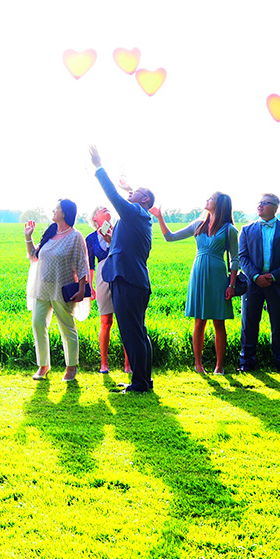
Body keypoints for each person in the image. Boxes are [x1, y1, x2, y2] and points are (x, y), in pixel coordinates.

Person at [151, 192, 239, 375]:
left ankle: (219, 366)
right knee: (199, 320)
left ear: (220, 205)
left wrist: (231, 285)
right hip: (198, 274)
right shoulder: (198, 224)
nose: (207, 200)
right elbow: (170, 237)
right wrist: (159, 217)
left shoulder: (230, 229)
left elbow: (235, 260)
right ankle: (198, 364)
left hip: (218, 276)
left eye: (212, 198)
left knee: (219, 321)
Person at [89, 146, 154, 393]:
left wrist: (99, 167)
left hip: (127, 279)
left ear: (144, 200)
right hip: (133, 279)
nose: (130, 194)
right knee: (138, 332)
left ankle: (139, 383)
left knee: (131, 333)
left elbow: (114, 198)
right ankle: (143, 380)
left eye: (135, 193)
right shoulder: (139, 216)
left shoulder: (135, 212)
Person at [237, 193, 280, 373]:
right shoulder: (246, 229)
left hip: (278, 284)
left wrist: (273, 276)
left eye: (265, 204)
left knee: (279, 325)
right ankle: (246, 363)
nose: (260, 206)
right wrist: (256, 276)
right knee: (249, 324)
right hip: (252, 285)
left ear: (275, 208)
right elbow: (242, 257)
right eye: (259, 203)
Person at [25, 200, 88, 381]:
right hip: (42, 288)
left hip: (62, 289)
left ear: (65, 213)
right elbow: (34, 256)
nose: (53, 210)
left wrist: (82, 289)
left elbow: (82, 264)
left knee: (67, 328)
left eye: (57, 208)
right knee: (38, 324)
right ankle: (44, 365)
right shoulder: (51, 232)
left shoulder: (75, 236)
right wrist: (28, 237)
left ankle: (71, 367)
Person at [86, 207, 128, 375]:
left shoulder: (120, 230)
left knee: (125, 321)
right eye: (100, 209)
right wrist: (90, 286)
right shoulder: (90, 238)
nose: (105, 208)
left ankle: (128, 363)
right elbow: (90, 264)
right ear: (94, 218)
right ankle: (104, 363)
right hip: (102, 276)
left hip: (121, 274)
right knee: (106, 321)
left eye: (106, 207)